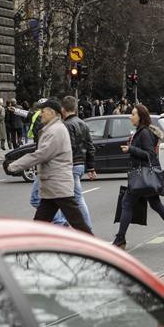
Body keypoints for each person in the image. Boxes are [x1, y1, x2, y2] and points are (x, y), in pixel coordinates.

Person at [8, 99, 93, 234]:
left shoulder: (55, 131)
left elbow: (41, 154)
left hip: (58, 183)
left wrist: (15, 165)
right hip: (52, 185)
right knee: (41, 222)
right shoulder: (52, 128)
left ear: (52, 113)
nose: (41, 114)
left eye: (43, 111)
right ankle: (32, 249)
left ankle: (93, 249)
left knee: (77, 222)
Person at [113, 105, 164, 249]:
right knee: (156, 204)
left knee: (127, 203)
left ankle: (120, 239)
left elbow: (149, 154)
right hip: (144, 176)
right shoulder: (140, 132)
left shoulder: (144, 133)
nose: (130, 117)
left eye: (133, 114)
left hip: (142, 175)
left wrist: (131, 149)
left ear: (140, 117)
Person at [61, 96, 96, 229]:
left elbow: (68, 147)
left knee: (75, 198)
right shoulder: (83, 123)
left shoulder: (66, 125)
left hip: (71, 164)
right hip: (80, 164)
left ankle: (86, 229)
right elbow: (90, 146)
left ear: (63, 109)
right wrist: (91, 167)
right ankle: (66, 223)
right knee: (70, 197)